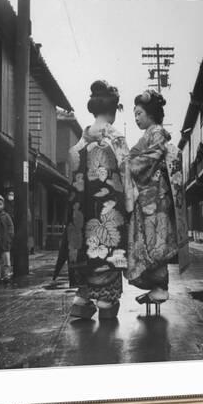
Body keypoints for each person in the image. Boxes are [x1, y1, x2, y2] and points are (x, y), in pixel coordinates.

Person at [66, 80, 133, 319]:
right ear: (113, 110)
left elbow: (73, 174)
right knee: (110, 251)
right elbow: (126, 177)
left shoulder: (80, 142)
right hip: (109, 211)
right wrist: (130, 207)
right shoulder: (116, 139)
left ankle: (81, 300)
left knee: (87, 251)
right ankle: (105, 303)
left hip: (84, 211)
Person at [125, 89, 189, 310]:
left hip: (156, 197)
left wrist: (129, 164)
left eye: (139, 113)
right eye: (134, 114)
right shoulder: (150, 134)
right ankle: (157, 288)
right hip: (149, 197)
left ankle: (160, 288)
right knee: (150, 240)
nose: (136, 118)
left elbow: (148, 159)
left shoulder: (157, 133)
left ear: (150, 114)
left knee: (156, 241)